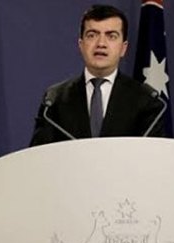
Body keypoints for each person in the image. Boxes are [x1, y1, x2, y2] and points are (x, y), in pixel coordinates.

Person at [30, 4, 166, 147]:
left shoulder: (146, 100)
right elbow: (39, 157)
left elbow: (153, 158)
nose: (101, 43)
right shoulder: (54, 100)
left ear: (123, 48)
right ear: (81, 45)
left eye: (111, 36)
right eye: (92, 35)